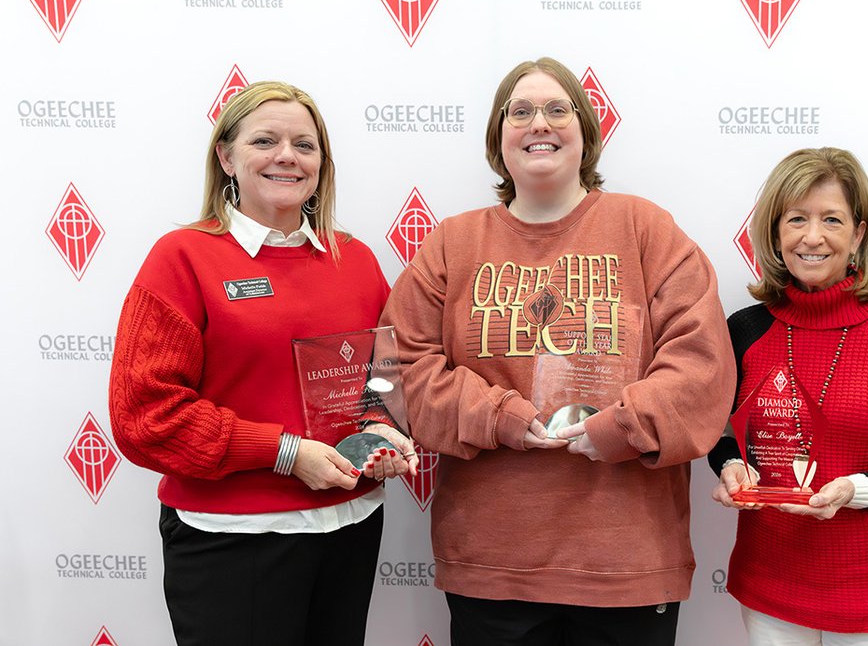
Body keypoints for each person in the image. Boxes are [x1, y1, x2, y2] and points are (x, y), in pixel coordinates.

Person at [379, 56, 736, 646]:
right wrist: (501, 418)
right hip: (493, 563)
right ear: (499, 137)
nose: (538, 123)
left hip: (626, 562)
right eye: (519, 111)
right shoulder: (453, 243)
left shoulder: (645, 229)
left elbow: (702, 364)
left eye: (556, 109)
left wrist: (620, 428)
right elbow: (399, 368)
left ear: (585, 132)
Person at [108, 81, 418, 646]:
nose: (287, 156)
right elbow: (144, 417)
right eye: (265, 141)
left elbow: (382, 378)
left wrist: (381, 430)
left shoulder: (354, 259)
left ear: (321, 163)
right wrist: (285, 453)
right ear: (226, 157)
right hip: (234, 539)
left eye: (305, 144)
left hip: (351, 526)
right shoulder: (183, 258)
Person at [708, 147, 868, 645]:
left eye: (832, 219)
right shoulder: (744, 329)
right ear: (775, 233)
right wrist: (730, 466)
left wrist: (854, 491)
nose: (812, 236)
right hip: (771, 578)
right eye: (796, 219)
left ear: (859, 233)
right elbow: (721, 434)